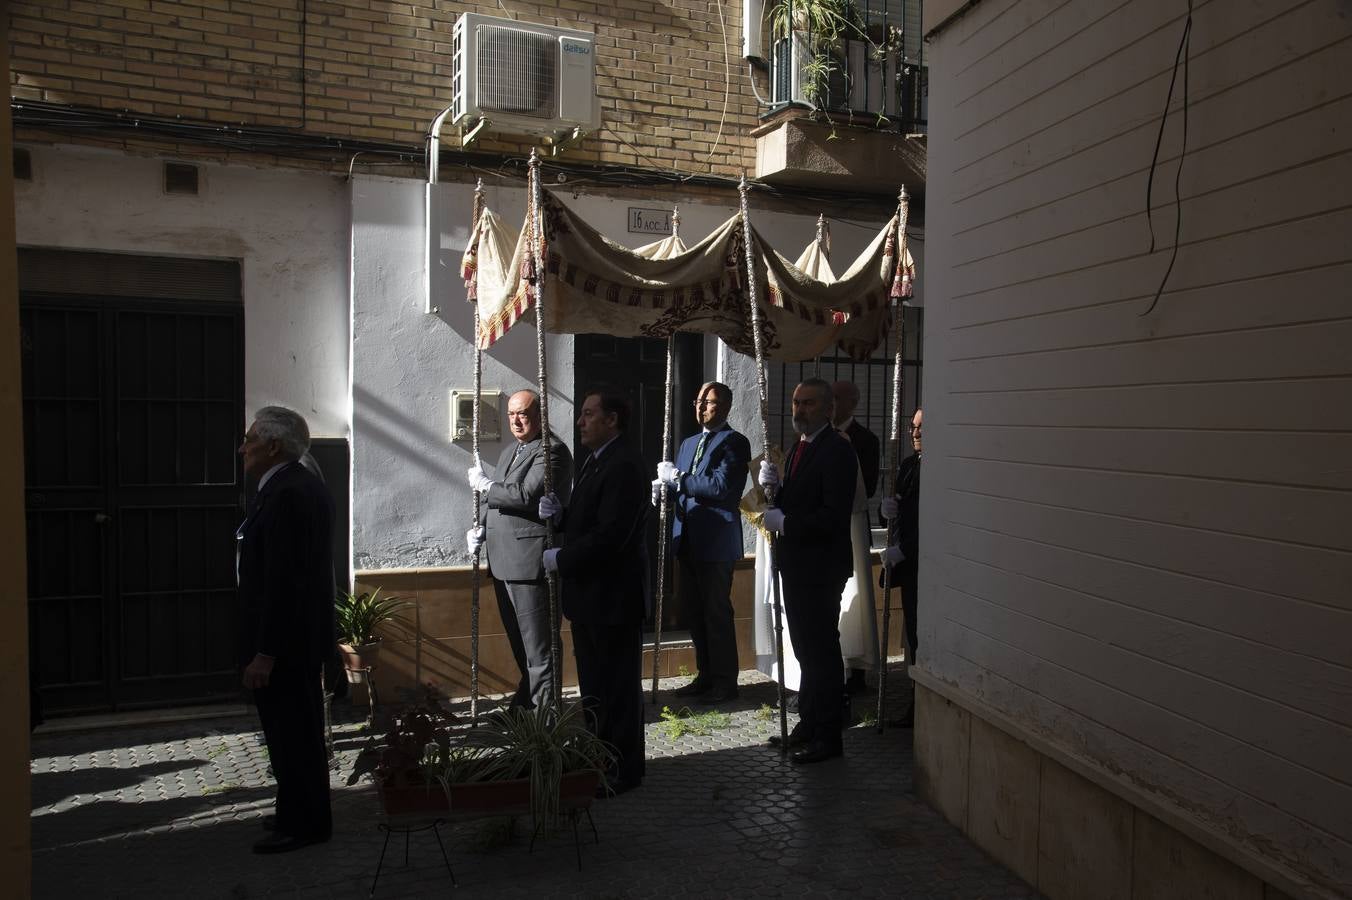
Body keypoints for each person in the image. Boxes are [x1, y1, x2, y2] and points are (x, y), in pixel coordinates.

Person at [538, 387, 649, 795]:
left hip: (613, 599)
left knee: (616, 690)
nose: (581, 422)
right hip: (591, 600)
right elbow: (590, 520)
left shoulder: (624, 465)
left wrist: (561, 559)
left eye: (588, 414)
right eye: (582, 415)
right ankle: (601, 759)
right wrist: (563, 516)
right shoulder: (595, 461)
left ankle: (624, 769)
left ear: (612, 420)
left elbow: (610, 536)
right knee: (596, 689)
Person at [236, 406, 334, 853]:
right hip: (292, 639)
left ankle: (307, 823)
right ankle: (294, 809)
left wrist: (266, 652)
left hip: (288, 644)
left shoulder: (290, 492)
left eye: (250, 439)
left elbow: (285, 580)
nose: (243, 447)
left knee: (294, 733)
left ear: (273, 446)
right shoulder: (283, 486)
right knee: (287, 732)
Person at [757, 378, 858, 764]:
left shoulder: (836, 451)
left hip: (820, 568)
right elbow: (797, 501)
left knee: (821, 653)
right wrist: (777, 489)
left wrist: (786, 523)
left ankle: (828, 736)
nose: (799, 410)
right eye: (797, 402)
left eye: (809, 403)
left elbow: (832, 518)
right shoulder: (802, 447)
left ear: (829, 409)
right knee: (804, 651)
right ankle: (809, 722)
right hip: (798, 566)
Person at [466, 389, 573, 709]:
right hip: (501, 560)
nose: (515, 420)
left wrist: (487, 485)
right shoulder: (509, 451)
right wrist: (481, 527)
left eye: (523, 413)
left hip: (529, 562)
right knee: (519, 643)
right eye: (511, 414)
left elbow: (526, 495)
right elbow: (494, 500)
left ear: (540, 416)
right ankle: (526, 705)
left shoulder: (551, 451)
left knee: (539, 646)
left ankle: (546, 718)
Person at [655, 381, 751, 705]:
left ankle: (726, 681)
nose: (700, 407)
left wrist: (679, 480)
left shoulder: (735, 443)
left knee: (716, 613)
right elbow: (681, 486)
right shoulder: (688, 443)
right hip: (688, 538)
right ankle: (705, 674)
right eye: (698, 400)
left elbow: (722, 486)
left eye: (708, 402)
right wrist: (663, 489)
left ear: (724, 406)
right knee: (694, 613)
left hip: (716, 540)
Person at [831, 380, 881, 696]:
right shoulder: (815, 437)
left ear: (853, 402)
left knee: (857, 594)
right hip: (828, 525)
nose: (832, 403)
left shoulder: (865, 439)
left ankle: (858, 669)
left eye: (837, 398)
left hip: (853, 521)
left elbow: (870, 486)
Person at [881, 407, 922, 728]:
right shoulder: (908, 465)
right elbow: (898, 509)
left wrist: (904, 551)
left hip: (922, 563)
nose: (915, 433)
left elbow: (931, 522)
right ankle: (913, 698)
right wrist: (886, 510)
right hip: (907, 565)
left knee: (921, 635)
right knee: (911, 634)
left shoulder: (939, 467)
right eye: (912, 427)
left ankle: (920, 703)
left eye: (922, 427)